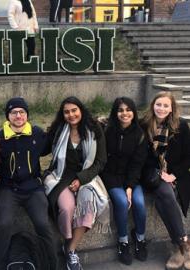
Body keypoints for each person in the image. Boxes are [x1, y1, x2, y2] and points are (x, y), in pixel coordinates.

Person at [44, 96, 108, 270]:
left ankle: (71, 249)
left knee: (87, 205)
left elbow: (100, 162)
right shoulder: (59, 129)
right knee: (67, 208)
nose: (71, 115)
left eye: (74, 110)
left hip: (87, 177)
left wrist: (81, 179)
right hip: (61, 176)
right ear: (62, 114)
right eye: (66, 112)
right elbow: (43, 149)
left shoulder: (95, 129)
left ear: (81, 110)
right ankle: (67, 239)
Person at [0, 97, 58, 269]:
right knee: (5, 224)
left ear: (27, 115)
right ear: (8, 116)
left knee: (43, 224)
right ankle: (1, 265)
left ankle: (52, 265)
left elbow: (54, 143)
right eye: (13, 112)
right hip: (8, 189)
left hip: (33, 189)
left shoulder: (37, 134)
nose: (18, 116)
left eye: (22, 112)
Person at [141, 91, 190, 270]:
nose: (161, 108)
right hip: (152, 174)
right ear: (153, 105)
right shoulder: (145, 124)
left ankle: (180, 247)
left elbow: (188, 157)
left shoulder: (181, 126)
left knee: (163, 199)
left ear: (171, 108)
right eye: (158, 104)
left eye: (165, 105)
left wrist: (173, 175)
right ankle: (184, 243)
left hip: (175, 174)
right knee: (165, 193)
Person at [101, 97, 148, 265]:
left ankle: (140, 239)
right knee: (121, 203)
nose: (125, 113)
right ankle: (123, 242)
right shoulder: (107, 130)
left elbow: (137, 164)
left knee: (139, 203)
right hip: (111, 176)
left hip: (132, 177)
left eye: (128, 110)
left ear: (134, 112)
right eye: (120, 110)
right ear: (115, 113)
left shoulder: (140, 134)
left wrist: (130, 186)